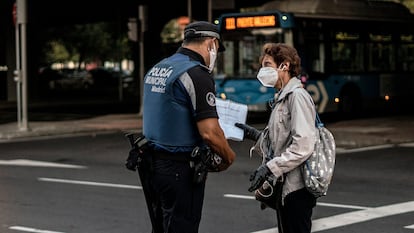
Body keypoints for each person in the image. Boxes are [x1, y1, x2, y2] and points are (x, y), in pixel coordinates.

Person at [141, 21, 236, 233]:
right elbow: (210, 133)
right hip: (179, 170)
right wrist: (228, 157)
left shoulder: (159, 68)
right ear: (212, 43)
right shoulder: (197, 74)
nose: (216, 55)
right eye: (217, 49)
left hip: (152, 167)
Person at [236, 42, 317, 233]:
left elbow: (303, 146)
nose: (262, 71)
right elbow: (281, 140)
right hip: (284, 186)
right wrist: (256, 136)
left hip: (296, 189)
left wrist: (269, 168)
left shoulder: (297, 97)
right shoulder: (282, 97)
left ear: (285, 65)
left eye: (267, 65)